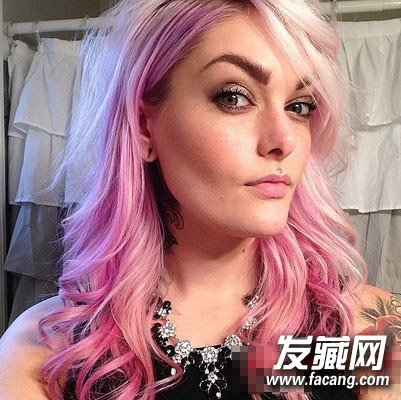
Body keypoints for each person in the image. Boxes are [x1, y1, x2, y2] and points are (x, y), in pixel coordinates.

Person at [0, 0, 400, 399]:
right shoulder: (45, 353)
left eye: (299, 106)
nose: (284, 140)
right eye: (234, 97)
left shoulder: (372, 332)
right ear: (144, 126)